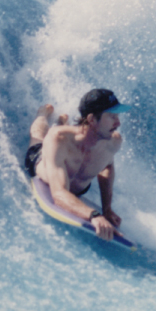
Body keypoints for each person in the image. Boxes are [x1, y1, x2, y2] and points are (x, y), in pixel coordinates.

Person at [25, 88, 131, 241]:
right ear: (92, 119)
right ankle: (43, 114)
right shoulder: (59, 139)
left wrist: (107, 208)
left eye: (118, 116)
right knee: (38, 136)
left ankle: (62, 121)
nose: (118, 122)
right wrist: (94, 215)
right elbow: (59, 195)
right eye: (112, 116)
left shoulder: (113, 142)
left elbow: (107, 167)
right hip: (39, 160)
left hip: (74, 180)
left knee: (55, 133)